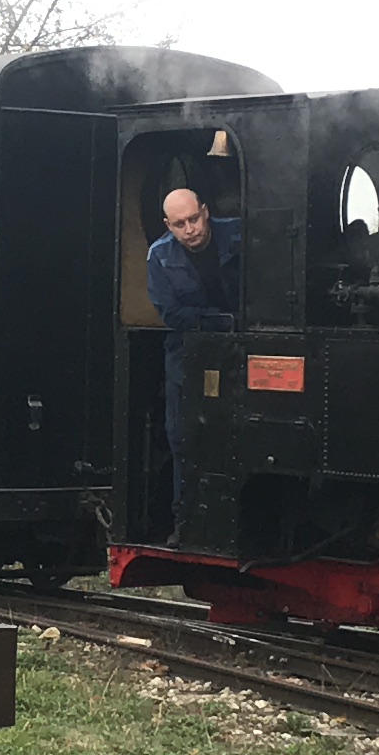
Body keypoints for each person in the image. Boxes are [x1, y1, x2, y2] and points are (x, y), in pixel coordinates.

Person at [145, 186, 240, 540]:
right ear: (168, 226)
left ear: (206, 211)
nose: (191, 230)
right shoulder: (159, 257)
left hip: (241, 349)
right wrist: (225, 320)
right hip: (188, 353)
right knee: (184, 438)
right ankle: (184, 523)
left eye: (194, 219)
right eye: (180, 224)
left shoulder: (243, 235)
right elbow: (172, 314)